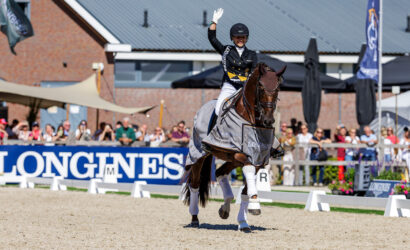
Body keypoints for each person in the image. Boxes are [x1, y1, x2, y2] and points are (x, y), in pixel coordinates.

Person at [208, 8, 257, 118]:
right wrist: (214, 21)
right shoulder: (226, 50)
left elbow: (254, 73)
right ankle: (213, 132)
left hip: (245, 87)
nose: (240, 39)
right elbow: (212, 38)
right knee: (218, 109)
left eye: (243, 37)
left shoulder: (252, 54)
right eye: (238, 37)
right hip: (230, 85)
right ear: (232, 38)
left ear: (246, 38)